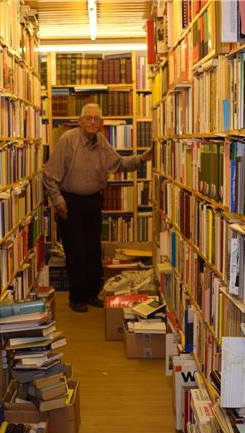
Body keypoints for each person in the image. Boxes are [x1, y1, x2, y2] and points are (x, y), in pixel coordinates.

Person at [43, 103, 153, 313]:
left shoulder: (101, 141)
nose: (93, 122)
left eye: (97, 119)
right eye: (88, 118)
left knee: (93, 249)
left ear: (102, 123)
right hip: (70, 202)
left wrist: (142, 158)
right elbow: (49, 175)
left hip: (93, 201)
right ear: (80, 121)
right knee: (75, 250)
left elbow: (118, 163)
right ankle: (77, 297)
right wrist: (57, 200)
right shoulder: (68, 140)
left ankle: (92, 294)